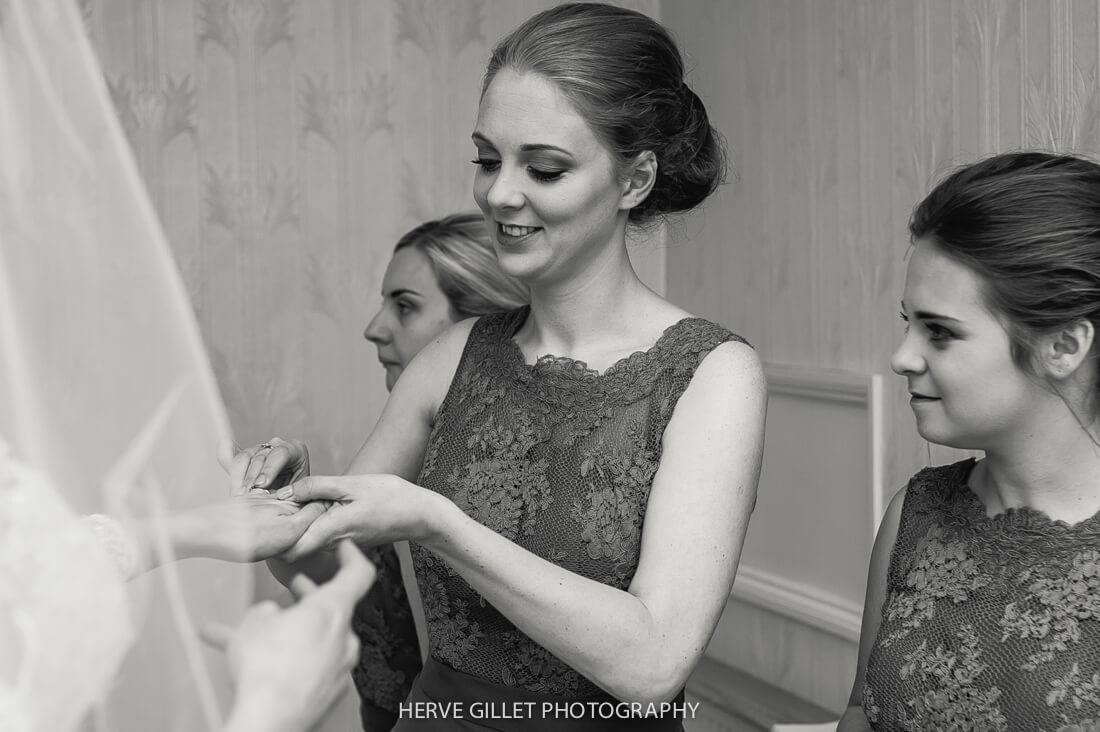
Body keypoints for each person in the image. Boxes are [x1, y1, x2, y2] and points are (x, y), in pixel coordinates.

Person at [236, 4, 766, 730]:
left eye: (543, 167)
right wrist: (288, 503)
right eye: (488, 159)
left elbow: (653, 665)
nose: (499, 194)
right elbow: (334, 571)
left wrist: (436, 522)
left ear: (635, 179)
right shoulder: (453, 357)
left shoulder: (710, 374)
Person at [838, 152, 1100, 730]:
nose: (902, 357)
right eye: (907, 323)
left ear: (1063, 346)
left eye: (941, 332)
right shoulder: (918, 511)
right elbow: (862, 711)